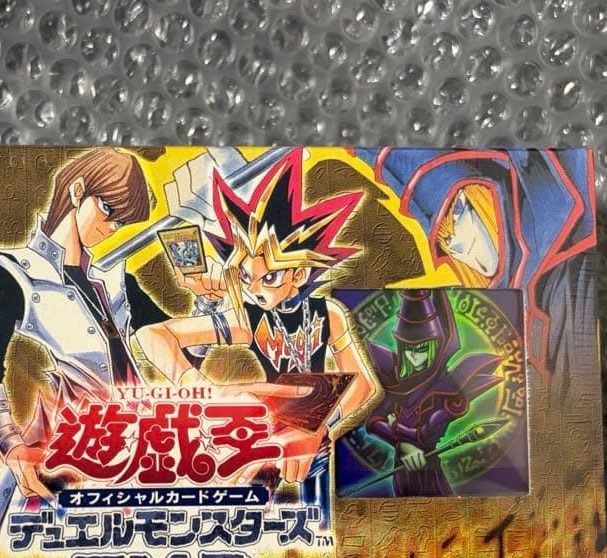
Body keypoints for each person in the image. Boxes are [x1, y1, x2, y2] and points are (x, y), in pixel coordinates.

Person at [135, 149, 380, 510]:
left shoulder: (329, 314)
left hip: (314, 446)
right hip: (266, 441)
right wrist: (200, 386)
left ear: (299, 273)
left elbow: (363, 384)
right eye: (247, 277)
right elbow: (153, 335)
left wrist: (319, 427)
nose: (255, 289)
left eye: (269, 278)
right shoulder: (249, 320)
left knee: (314, 522)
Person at [0, 148, 167, 537]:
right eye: (109, 209)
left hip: (138, 451)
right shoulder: (11, 275)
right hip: (67, 454)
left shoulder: (114, 282)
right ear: (76, 190)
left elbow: (171, 344)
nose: (111, 228)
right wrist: (11, 446)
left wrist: (206, 302)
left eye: (121, 222)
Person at [364, 289, 502, 496]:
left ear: (434, 347)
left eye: (421, 349)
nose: (413, 356)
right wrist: (401, 445)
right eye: (408, 349)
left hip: (426, 465)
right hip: (402, 467)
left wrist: (394, 427)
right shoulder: (395, 382)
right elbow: (373, 422)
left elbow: (424, 435)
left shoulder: (448, 389)